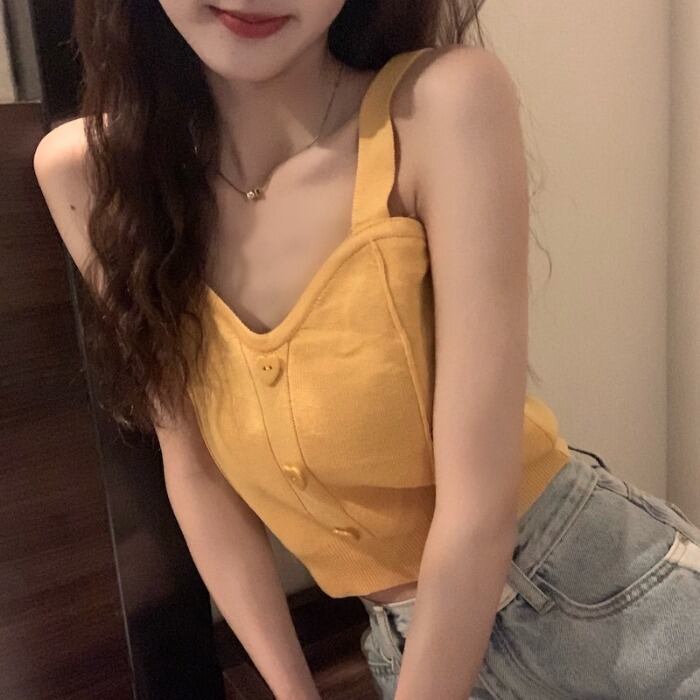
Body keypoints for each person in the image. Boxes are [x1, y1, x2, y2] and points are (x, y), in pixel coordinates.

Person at [32, 2, 700, 698]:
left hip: (607, 609)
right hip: (405, 647)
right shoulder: (95, 177)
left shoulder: (439, 106)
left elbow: (478, 506)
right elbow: (195, 472)